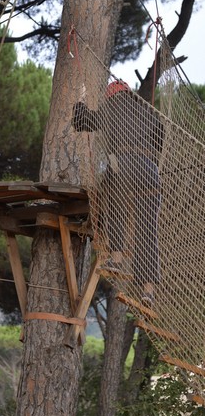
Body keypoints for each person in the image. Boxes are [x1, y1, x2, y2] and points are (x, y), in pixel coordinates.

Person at [73, 80, 163, 307]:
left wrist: (80, 102)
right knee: (147, 230)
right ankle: (148, 290)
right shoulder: (148, 111)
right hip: (150, 171)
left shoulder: (110, 107)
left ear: (111, 95)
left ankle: (116, 258)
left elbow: (81, 121)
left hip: (122, 165)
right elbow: (160, 137)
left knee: (114, 205)